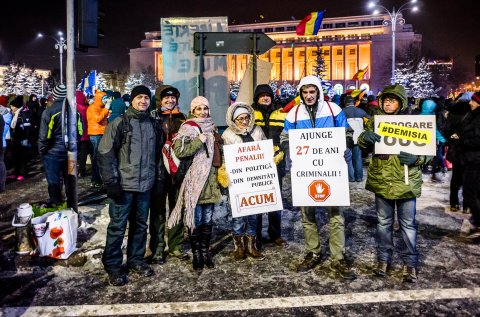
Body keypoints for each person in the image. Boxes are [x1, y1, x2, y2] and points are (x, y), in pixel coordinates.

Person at [279, 75, 356, 280]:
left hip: (332, 169)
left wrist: (347, 147)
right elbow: (285, 136)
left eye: (312, 92)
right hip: (305, 170)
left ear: (319, 92)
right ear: (300, 94)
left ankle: (338, 257)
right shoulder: (294, 113)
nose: (309, 96)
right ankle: (313, 251)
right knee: (308, 215)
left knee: (336, 214)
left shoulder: (334, 110)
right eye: (305, 92)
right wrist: (289, 150)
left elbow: (346, 132)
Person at [358, 84, 431, 283]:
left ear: (401, 102)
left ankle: (410, 264)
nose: (389, 103)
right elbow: (362, 143)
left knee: (408, 225)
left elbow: (429, 151)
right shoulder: (374, 121)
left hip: (406, 182)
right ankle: (383, 260)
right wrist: (365, 137)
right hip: (382, 181)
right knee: (384, 223)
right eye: (386, 100)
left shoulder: (412, 122)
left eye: (393, 100)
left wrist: (417, 159)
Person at [98, 85, 165, 286]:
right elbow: (105, 153)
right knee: (118, 227)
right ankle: (113, 266)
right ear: (132, 100)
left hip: (145, 187)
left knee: (140, 226)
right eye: (139, 97)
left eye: (146, 97)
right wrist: (111, 183)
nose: (143, 101)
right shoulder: (119, 123)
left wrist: (158, 179)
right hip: (124, 187)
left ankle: (136, 259)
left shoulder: (154, 124)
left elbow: (158, 154)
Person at [167, 96, 223, 271]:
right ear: (192, 111)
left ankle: (205, 252)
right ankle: (197, 254)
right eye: (198, 109)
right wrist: (199, 140)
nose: (202, 112)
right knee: (195, 220)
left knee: (207, 219)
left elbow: (218, 152)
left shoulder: (212, 127)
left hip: (210, 180)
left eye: (205, 108)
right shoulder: (187, 128)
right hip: (194, 181)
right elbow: (180, 151)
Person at [221, 102, 266, 261]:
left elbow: (264, 150)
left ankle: (251, 245)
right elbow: (225, 156)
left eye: (246, 118)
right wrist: (224, 172)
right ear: (234, 120)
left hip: (255, 179)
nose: (244, 121)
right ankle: (239, 245)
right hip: (237, 180)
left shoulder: (258, 131)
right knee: (238, 215)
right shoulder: (228, 134)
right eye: (240, 119)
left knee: (254, 213)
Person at [149, 85, 188, 264]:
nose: (170, 101)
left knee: (176, 210)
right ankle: (157, 248)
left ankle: (175, 246)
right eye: (166, 98)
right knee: (157, 212)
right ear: (159, 100)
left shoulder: (183, 119)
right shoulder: (152, 118)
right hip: (158, 173)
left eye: (173, 98)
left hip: (177, 173)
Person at [251, 84, 288, 249]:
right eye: (261, 95)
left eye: (268, 95)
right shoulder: (250, 112)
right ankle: (256, 235)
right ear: (256, 97)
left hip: (276, 161)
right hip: (256, 163)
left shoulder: (281, 112)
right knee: (258, 199)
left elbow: (288, 134)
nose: (265, 98)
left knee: (275, 198)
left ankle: (275, 234)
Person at [38, 85, 82, 206]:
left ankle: (56, 202)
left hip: (52, 153)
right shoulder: (74, 111)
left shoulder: (49, 111)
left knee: (54, 180)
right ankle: (71, 203)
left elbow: (44, 136)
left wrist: (42, 151)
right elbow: (79, 132)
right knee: (70, 179)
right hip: (69, 152)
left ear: (55, 96)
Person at [456, 92, 480, 238]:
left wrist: (461, 139)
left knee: (469, 193)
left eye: (473, 101)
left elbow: (477, 141)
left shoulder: (478, 118)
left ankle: (478, 222)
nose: (470, 103)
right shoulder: (473, 116)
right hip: (472, 159)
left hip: (475, 161)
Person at [443, 93, 471, 212]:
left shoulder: (452, 112)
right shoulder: (474, 113)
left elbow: (446, 131)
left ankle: (454, 203)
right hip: (470, 151)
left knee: (456, 177)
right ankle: (467, 205)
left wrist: (452, 139)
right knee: (469, 178)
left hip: (456, 150)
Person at [343, 95, 370, 182]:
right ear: (353, 103)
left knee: (348, 159)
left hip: (347, 137)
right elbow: (369, 120)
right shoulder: (361, 111)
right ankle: (359, 177)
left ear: (345, 102)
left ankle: (351, 178)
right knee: (358, 158)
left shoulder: (342, 111)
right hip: (359, 138)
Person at [86, 90, 110, 188]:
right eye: (104, 99)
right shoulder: (93, 108)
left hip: (100, 134)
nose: (105, 101)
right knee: (96, 158)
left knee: (99, 158)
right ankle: (95, 179)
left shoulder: (99, 107)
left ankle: (98, 179)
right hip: (96, 135)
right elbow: (98, 119)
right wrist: (106, 109)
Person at [420, 99, 447, 182]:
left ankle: (424, 169)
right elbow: (435, 130)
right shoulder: (432, 116)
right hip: (434, 140)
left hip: (422, 139)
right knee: (437, 155)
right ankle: (439, 169)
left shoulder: (420, 115)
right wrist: (443, 139)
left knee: (423, 154)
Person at [9, 95, 35, 181]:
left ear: (17, 106)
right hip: (16, 138)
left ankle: (23, 173)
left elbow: (28, 127)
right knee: (15, 156)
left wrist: (27, 138)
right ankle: (16, 172)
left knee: (23, 157)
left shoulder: (24, 113)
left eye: (12, 106)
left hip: (23, 138)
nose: (11, 107)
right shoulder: (15, 114)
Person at [76, 90, 91, 177]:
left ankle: (73, 170)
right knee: (83, 154)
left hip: (75, 135)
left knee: (75, 154)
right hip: (85, 135)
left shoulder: (72, 107)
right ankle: (82, 170)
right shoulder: (86, 108)